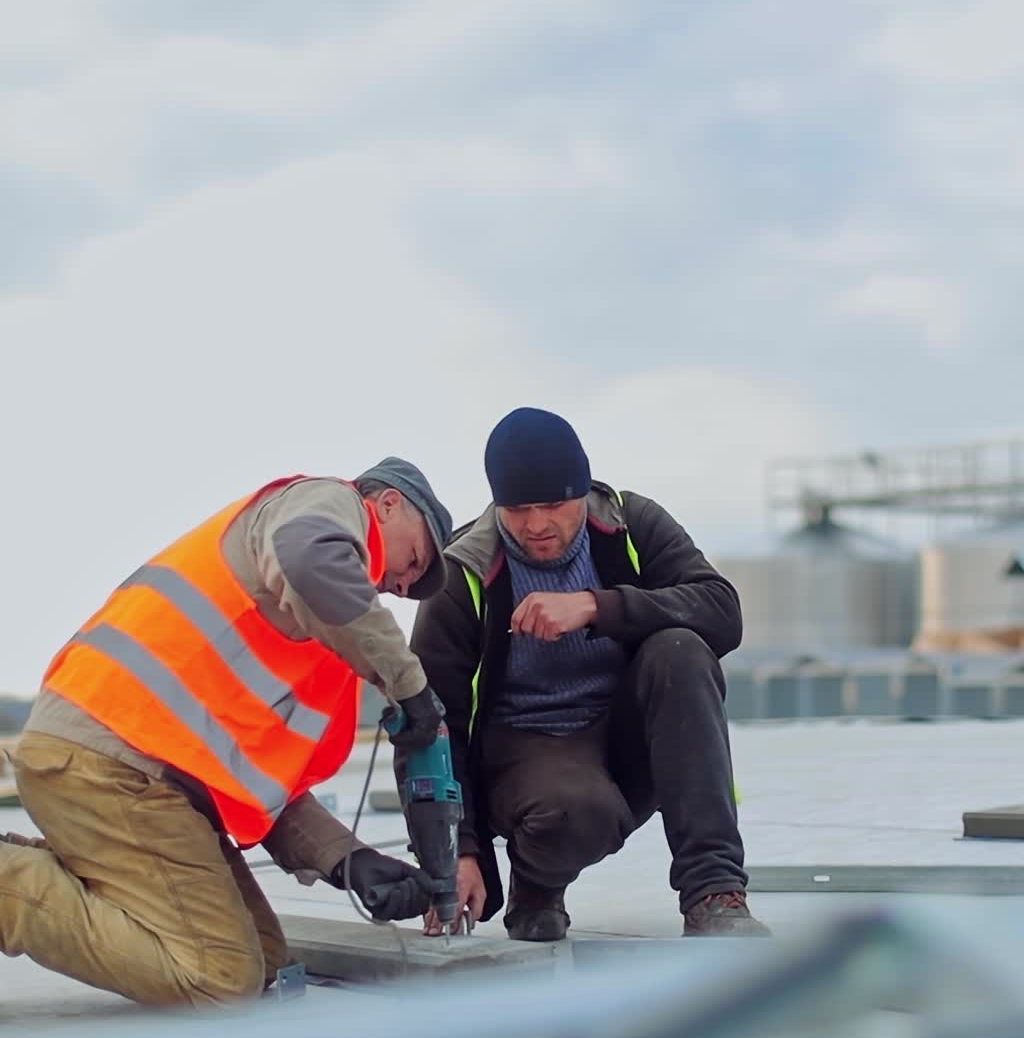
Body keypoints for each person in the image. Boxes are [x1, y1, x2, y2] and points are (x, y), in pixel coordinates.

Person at [1, 459, 454, 1006]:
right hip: (108, 759)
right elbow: (310, 555)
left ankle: (71, 865)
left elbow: (250, 776)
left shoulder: (312, 627)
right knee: (220, 980)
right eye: (416, 559)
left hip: (141, 771)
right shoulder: (325, 508)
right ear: (387, 504)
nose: (403, 585)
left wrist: (349, 861)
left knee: (265, 960)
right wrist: (409, 684)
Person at [409, 408, 769, 941]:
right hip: (528, 756)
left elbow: (722, 611)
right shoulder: (462, 573)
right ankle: (536, 882)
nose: (536, 524)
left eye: (553, 504)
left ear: (582, 491)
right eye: (518, 508)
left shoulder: (633, 524)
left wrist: (596, 606)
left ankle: (713, 893)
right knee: (577, 812)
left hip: (627, 738)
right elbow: (430, 723)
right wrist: (456, 854)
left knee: (682, 650)